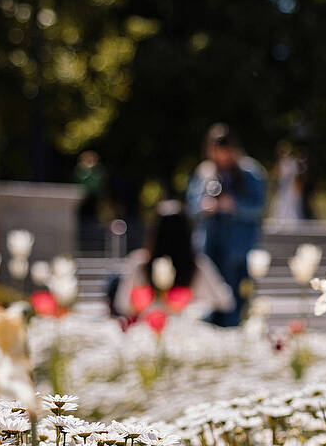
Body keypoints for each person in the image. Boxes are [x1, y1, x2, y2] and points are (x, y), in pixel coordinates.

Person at [187, 124, 267, 327]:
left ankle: (235, 328)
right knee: (213, 295)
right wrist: (204, 206)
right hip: (211, 244)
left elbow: (259, 207)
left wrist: (234, 205)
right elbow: (191, 204)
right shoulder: (205, 172)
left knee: (237, 298)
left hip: (238, 247)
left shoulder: (250, 172)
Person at [109, 201, 234, 319]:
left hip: (149, 333)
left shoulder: (139, 262)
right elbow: (225, 301)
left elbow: (122, 305)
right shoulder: (197, 264)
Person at [270, 141, 308, 223]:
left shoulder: (293, 162)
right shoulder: (281, 162)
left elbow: (297, 177)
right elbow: (276, 176)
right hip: (282, 189)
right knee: (281, 206)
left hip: (291, 190)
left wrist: (297, 190)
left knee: (292, 207)